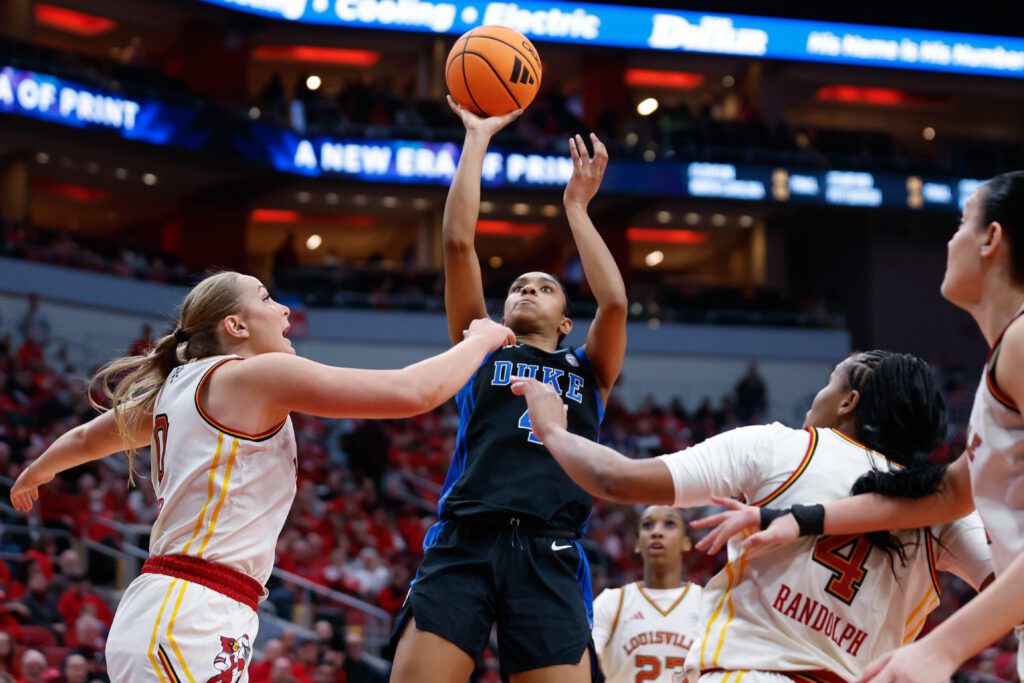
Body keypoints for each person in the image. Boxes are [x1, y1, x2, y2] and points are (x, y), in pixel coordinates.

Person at [10, 271, 514, 682]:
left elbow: (85, 440)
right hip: (192, 608)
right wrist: (480, 340)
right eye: (267, 298)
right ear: (236, 326)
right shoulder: (251, 376)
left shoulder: (176, 388)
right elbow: (413, 393)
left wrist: (36, 471)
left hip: (195, 607)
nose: (285, 310)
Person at [691, 171, 1024, 683]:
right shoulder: (1003, 361)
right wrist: (797, 519)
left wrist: (943, 647)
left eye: (961, 224)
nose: (950, 239)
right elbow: (944, 493)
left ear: (992, 239)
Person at [511, 350, 993, 682]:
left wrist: (552, 428)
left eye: (828, 383)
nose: (815, 397)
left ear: (849, 401)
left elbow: (615, 479)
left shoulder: (783, 447)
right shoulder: (944, 508)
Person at [390, 98, 628, 683]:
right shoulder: (481, 343)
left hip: (549, 549)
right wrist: (476, 137)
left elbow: (616, 303)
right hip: (467, 538)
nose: (525, 289)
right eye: (518, 286)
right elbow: (457, 245)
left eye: (544, 288)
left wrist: (576, 206)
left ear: (565, 321)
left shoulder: (588, 366)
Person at [592, 506, 703, 683]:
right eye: (648, 525)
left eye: (669, 524)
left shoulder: (707, 603)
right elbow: (584, 661)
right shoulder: (612, 602)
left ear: (686, 542)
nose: (657, 532)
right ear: (637, 543)